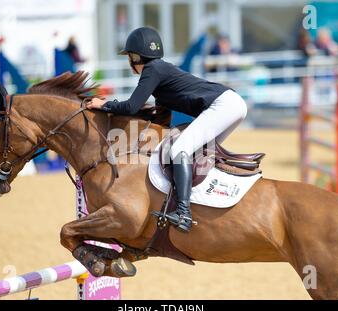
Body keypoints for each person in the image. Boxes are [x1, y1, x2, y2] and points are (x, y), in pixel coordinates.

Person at [86, 27, 247, 233]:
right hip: (231, 104)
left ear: (135, 57)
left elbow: (131, 107)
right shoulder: (160, 72)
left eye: (130, 57)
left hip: (222, 106)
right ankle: (203, 204)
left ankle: (183, 212)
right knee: (199, 155)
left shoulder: (152, 70)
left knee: (179, 150)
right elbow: (157, 117)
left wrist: (103, 105)